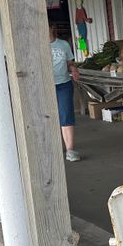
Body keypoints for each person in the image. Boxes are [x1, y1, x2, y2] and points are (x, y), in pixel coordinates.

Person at [49, 24, 81, 161]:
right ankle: (56, 145)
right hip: (46, 85)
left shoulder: (63, 44)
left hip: (63, 84)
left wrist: (73, 69)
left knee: (66, 114)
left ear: (52, 28)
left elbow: (69, 63)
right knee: (49, 116)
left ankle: (70, 150)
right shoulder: (37, 45)